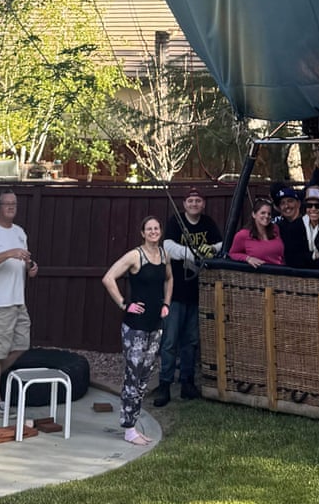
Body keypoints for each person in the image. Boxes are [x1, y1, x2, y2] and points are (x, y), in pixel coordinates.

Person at [102, 215, 173, 446]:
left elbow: (169, 279)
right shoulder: (135, 256)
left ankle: (133, 424)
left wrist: (166, 304)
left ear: (160, 231)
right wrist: (124, 303)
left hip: (155, 325)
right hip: (135, 327)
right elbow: (108, 278)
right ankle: (128, 427)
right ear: (142, 233)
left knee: (144, 376)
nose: (153, 232)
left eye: (156, 228)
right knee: (132, 375)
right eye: (148, 229)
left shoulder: (164, 255)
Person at [154, 188, 222, 407]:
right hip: (175, 292)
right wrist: (194, 254)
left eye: (198, 200)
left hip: (197, 292)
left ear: (203, 204)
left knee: (191, 341)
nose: (194, 204)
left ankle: (187, 383)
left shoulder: (208, 223)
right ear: (184, 204)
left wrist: (210, 249)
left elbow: (221, 245)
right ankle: (164, 384)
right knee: (170, 340)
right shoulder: (176, 222)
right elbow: (169, 247)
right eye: (190, 200)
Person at [0, 188, 39, 416]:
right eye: (7, 204)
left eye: (14, 203)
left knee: (21, 345)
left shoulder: (20, 232)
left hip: (17, 300)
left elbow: (24, 262)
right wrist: (8, 253)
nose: (11, 207)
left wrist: (31, 267)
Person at [229, 198, 286, 267]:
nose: (267, 216)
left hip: (280, 272)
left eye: (269, 214)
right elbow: (233, 253)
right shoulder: (243, 235)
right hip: (259, 274)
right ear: (254, 214)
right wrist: (247, 258)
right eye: (263, 213)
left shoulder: (275, 229)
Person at [273, 185, 308, 265]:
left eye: (290, 201)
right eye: (282, 203)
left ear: (298, 203)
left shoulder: (309, 224)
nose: (286, 206)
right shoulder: (277, 227)